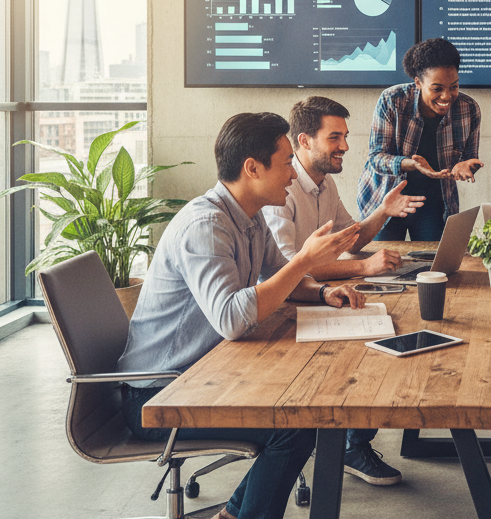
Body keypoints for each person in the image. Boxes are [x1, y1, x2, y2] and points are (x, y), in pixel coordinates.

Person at [118, 112, 366, 519]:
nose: (292, 172)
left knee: (305, 411)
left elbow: (277, 278)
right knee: (295, 424)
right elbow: (232, 318)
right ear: (252, 168)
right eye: (286, 162)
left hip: (205, 375)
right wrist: (304, 260)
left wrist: (322, 290)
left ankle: (233, 515)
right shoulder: (207, 225)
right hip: (160, 396)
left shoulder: (248, 216)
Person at [264, 95, 425, 486]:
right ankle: (349, 445)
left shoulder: (325, 183)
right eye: (335, 137)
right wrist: (364, 267)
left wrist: (382, 212)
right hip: (288, 310)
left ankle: (354, 442)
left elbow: (351, 238)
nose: (346, 147)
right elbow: (289, 269)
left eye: (345, 137)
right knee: (377, 350)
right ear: (304, 141)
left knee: (396, 331)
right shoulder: (278, 193)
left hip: (323, 298)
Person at [357, 38, 483, 240]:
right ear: (418, 82)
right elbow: (376, 158)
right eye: (437, 88)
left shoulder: (469, 109)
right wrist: (411, 165)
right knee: (380, 264)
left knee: (432, 267)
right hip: (387, 197)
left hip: (433, 203)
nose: (447, 96)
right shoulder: (392, 100)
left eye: (454, 86)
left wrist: (465, 167)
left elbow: (469, 159)